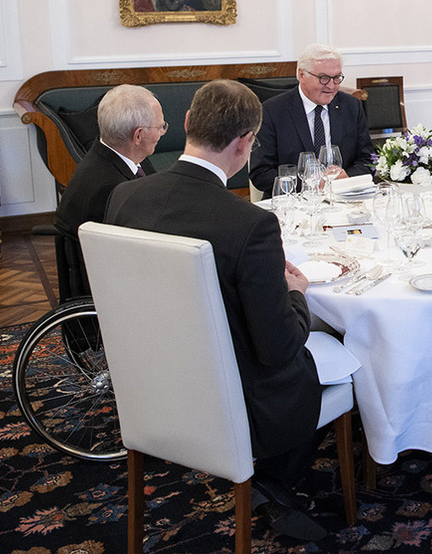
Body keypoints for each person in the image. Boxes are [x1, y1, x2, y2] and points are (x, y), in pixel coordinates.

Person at [105, 80, 328, 541]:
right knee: (323, 356)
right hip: (234, 395)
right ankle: (269, 483)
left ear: (187, 123)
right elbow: (278, 346)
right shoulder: (250, 224)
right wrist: (298, 295)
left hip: (149, 375)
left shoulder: (125, 196)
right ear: (245, 143)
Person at [54, 84, 164, 300]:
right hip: (112, 293)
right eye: (160, 127)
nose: (162, 132)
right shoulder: (108, 189)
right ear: (138, 135)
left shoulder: (118, 157)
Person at [249, 43, 375, 197]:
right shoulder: (272, 111)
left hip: (343, 199)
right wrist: (312, 183)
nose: (331, 86)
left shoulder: (351, 106)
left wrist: (347, 176)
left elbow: (368, 160)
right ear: (302, 75)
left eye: (337, 78)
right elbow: (261, 174)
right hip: (293, 202)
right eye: (323, 78)